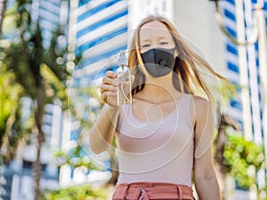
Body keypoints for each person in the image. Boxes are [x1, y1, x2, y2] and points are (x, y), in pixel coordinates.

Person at [90, 15, 232, 200]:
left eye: (163, 42)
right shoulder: (121, 100)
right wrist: (113, 107)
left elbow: (205, 175)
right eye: (146, 45)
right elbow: (97, 146)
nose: (155, 49)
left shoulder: (198, 107)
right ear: (138, 54)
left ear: (175, 51)